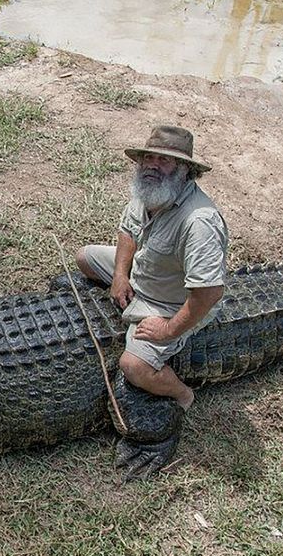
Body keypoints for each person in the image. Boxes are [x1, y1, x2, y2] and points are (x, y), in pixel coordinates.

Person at [76, 125, 228, 411]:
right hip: (147, 270)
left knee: (133, 366)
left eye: (164, 160)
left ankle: (183, 395)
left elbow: (209, 294)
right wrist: (120, 275)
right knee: (84, 257)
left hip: (170, 301)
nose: (152, 166)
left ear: (184, 168)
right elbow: (128, 233)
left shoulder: (199, 222)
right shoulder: (150, 190)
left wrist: (168, 329)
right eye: (149, 157)